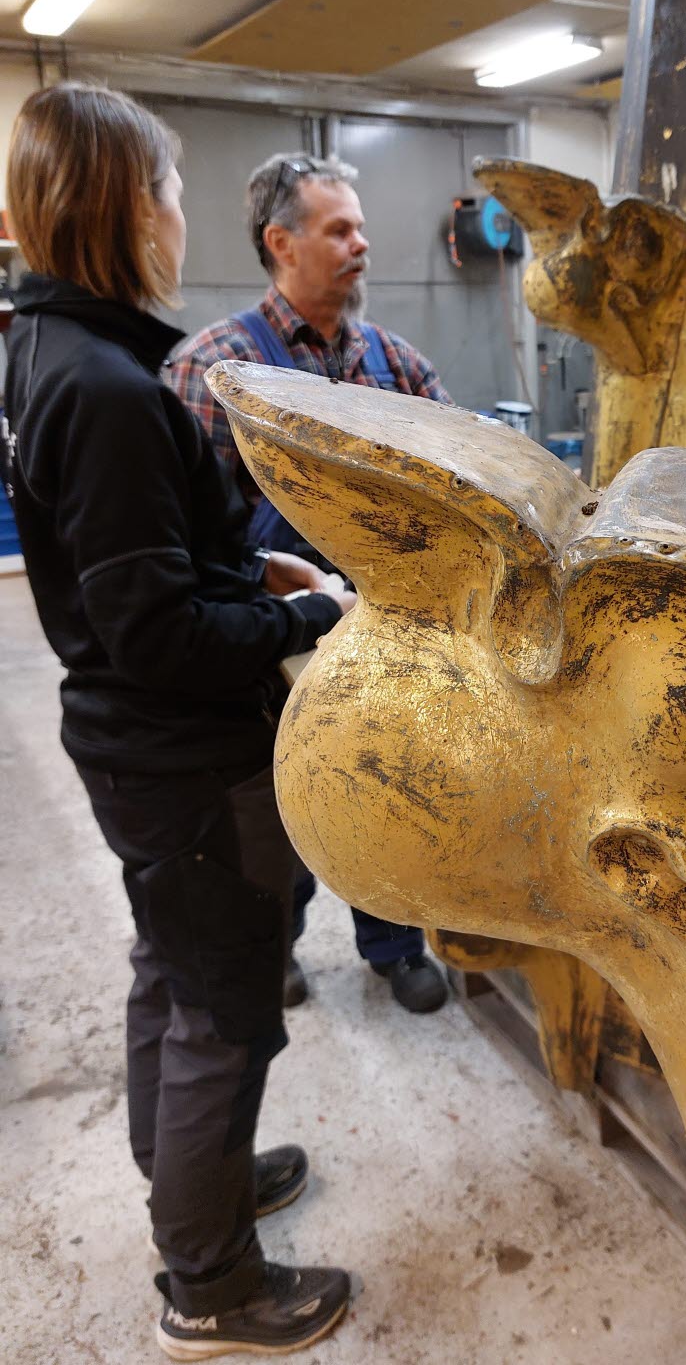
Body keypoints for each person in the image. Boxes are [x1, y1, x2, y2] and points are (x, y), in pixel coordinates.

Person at [2, 83, 352, 1359]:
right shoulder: (103, 386)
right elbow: (157, 632)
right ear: (122, 204)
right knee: (224, 1008)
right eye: (166, 186)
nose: (175, 209)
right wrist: (305, 617)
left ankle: (188, 1178)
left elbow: (134, 562)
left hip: (130, 745)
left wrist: (253, 569)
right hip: (187, 757)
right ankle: (210, 1284)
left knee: (172, 967)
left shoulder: (52, 348)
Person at [169, 152, 450, 1016]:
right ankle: (278, 940)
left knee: (386, 794)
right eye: (340, 230)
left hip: (388, 641)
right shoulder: (210, 373)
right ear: (281, 243)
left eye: (360, 228)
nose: (362, 244)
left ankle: (394, 945)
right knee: (281, 798)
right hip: (271, 646)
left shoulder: (396, 365)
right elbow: (190, 542)